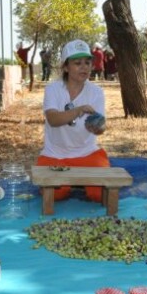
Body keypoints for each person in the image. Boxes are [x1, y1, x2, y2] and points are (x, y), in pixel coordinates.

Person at [36, 39, 109, 202]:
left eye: (88, 62)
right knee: (55, 194)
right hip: (55, 154)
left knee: (100, 195)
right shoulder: (53, 89)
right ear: (66, 67)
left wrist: (98, 128)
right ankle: (75, 183)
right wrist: (78, 110)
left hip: (87, 152)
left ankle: (82, 182)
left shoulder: (96, 92)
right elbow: (53, 119)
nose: (84, 67)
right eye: (78, 63)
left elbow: (101, 127)